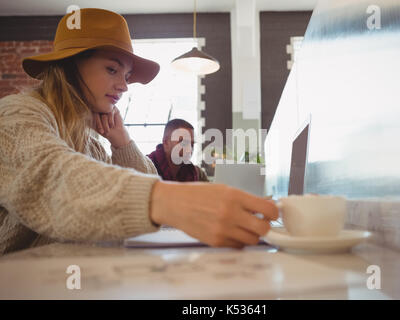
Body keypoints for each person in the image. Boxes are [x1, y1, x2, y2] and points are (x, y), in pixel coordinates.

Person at [0, 8, 277, 255]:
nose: (124, 86)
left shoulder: (92, 143)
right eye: (112, 69)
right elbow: (53, 178)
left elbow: (139, 203)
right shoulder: (16, 114)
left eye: (127, 76)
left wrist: (123, 143)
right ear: (70, 65)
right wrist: (171, 201)